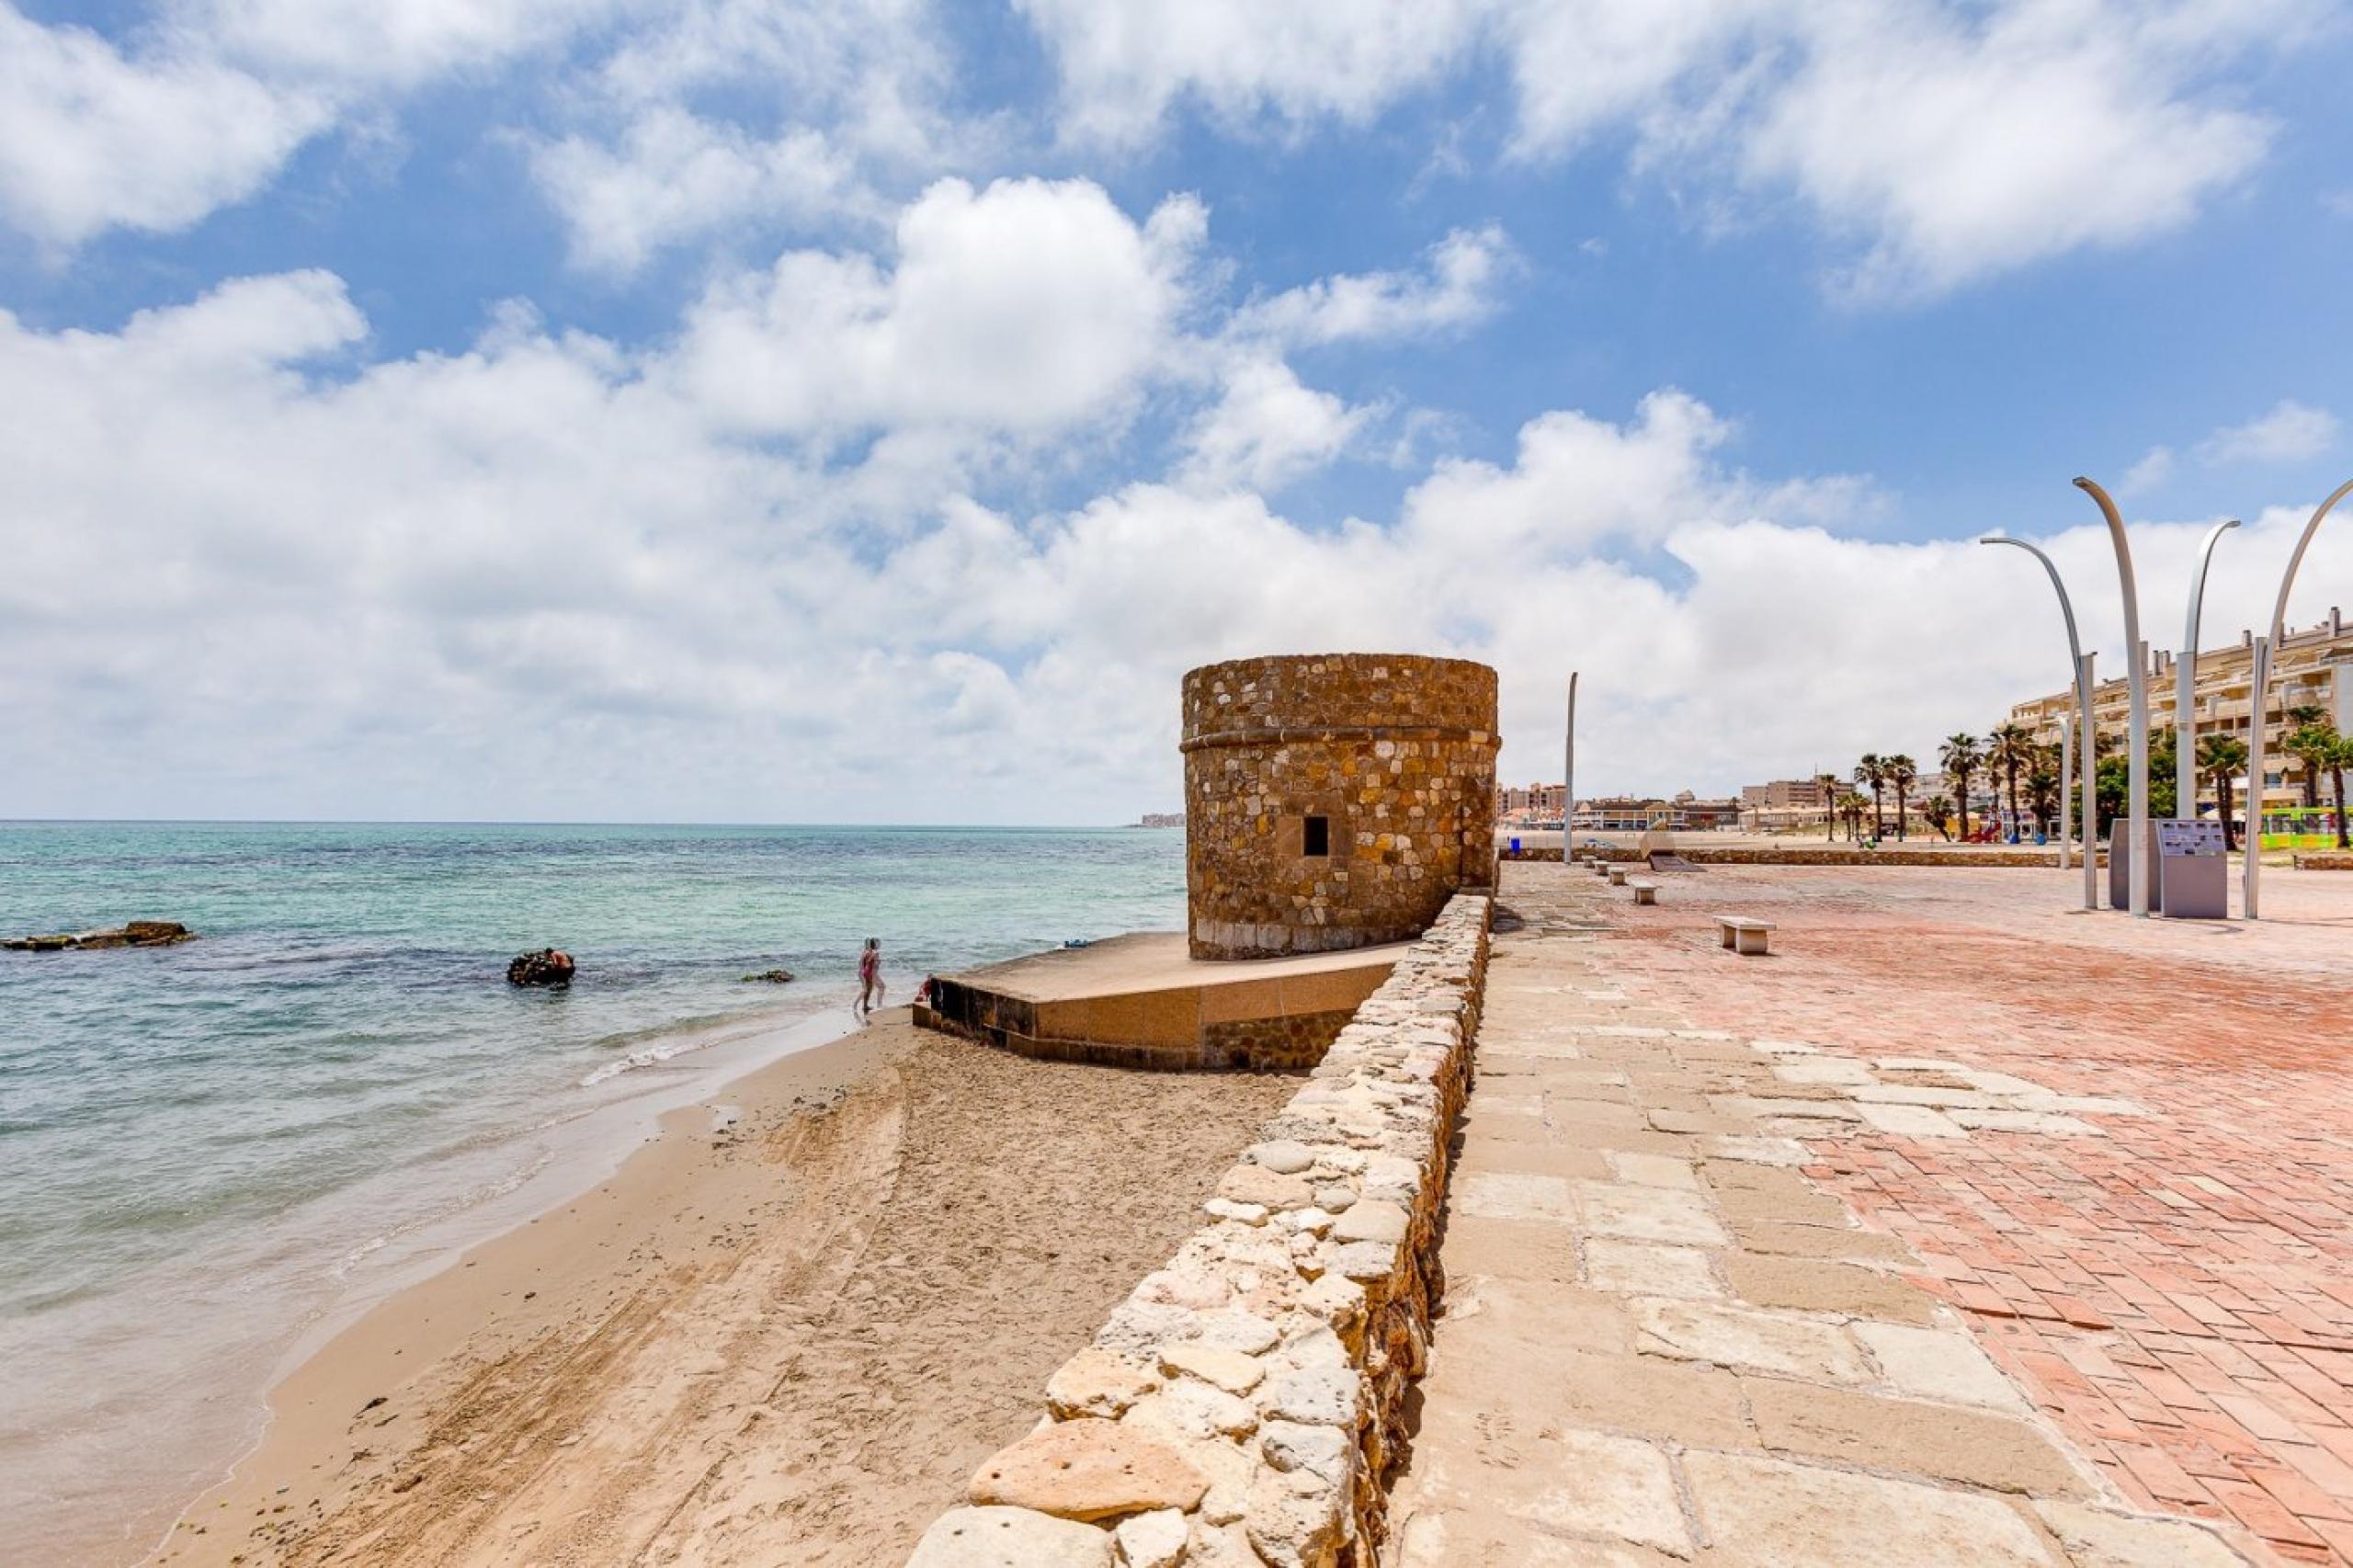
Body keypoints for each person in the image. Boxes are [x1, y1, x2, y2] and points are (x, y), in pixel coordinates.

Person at [857, 937, 883, 1017]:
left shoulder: (867, 952)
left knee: (868, 990)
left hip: (866, 973)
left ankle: (865, 1006)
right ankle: (877, 1005)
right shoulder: (873, 952)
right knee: (870, 989)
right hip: (869, 973)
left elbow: (865, 963)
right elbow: (872, 965)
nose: (880, 944)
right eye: (878, 943)